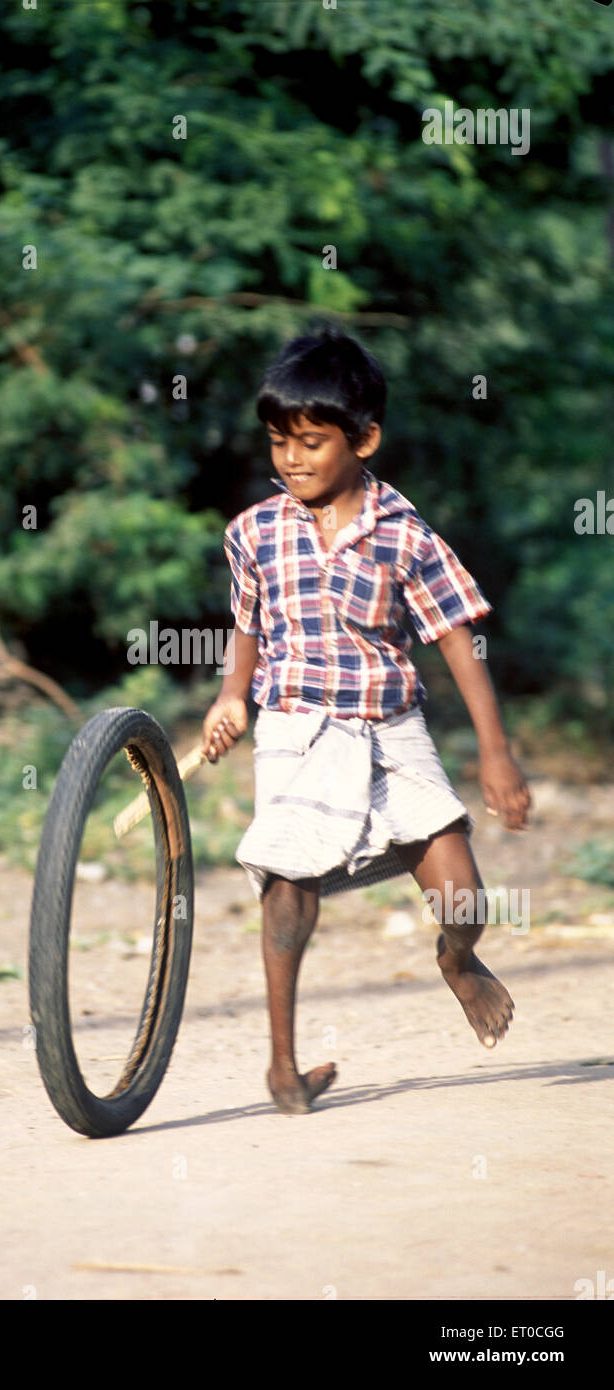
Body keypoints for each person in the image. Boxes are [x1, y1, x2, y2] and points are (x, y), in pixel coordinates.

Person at [201, 326, 532, 1116]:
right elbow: (249, 623)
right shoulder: (255, 532)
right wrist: (230, 697)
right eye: (280, 441)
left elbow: (456, 641)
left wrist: (496, 755)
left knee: (463, 900)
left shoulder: (406, 537)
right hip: (295, 729)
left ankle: (458, 963)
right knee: (286, 884)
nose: (292, 459)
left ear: (365, 439)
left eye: (311, 442)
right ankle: (282, 1065)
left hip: (390, 729)